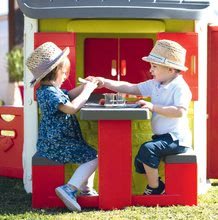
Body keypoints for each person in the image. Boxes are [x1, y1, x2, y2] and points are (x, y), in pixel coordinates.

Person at [88, 39, 192, 195]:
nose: (151, 70)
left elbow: (179, 111)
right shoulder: (156, 83)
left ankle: (155, 188)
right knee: (141, 159)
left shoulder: (179, 87)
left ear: (171, 69)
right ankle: (157, 183)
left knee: (147, 150)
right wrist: (104, 82)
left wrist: (152, 106)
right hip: (163, 137)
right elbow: (131, 87)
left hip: (176, 139)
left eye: (154, 66)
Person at [26, 42, 99, 211]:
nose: (66, 76)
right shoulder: (49, 93)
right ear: (56, 71)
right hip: (56, 143)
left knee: (91, 154)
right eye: (64, 72)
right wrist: (88, 92)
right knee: (93, 157)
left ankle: (86, 190)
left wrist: (86, 85)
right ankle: (70, 188)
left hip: (59, 140)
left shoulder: (52, 90)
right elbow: (71, 108)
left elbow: (70, 95)